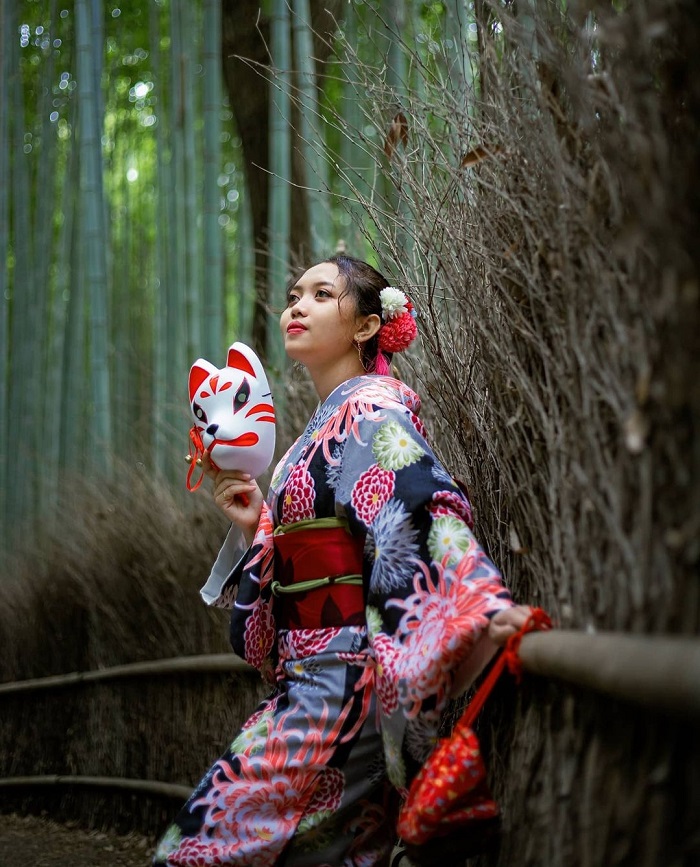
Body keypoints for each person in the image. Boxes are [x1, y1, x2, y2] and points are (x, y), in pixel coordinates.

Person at [153, 255, 532, 866]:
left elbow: (415, 504)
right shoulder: (324, 426)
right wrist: (258, 526)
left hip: (342, 684)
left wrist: (474, 606)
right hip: (317, 678)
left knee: (197, 852)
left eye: (322, 294)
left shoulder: (371, 412)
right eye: (294, 294)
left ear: (363, 327)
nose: (296, 306)